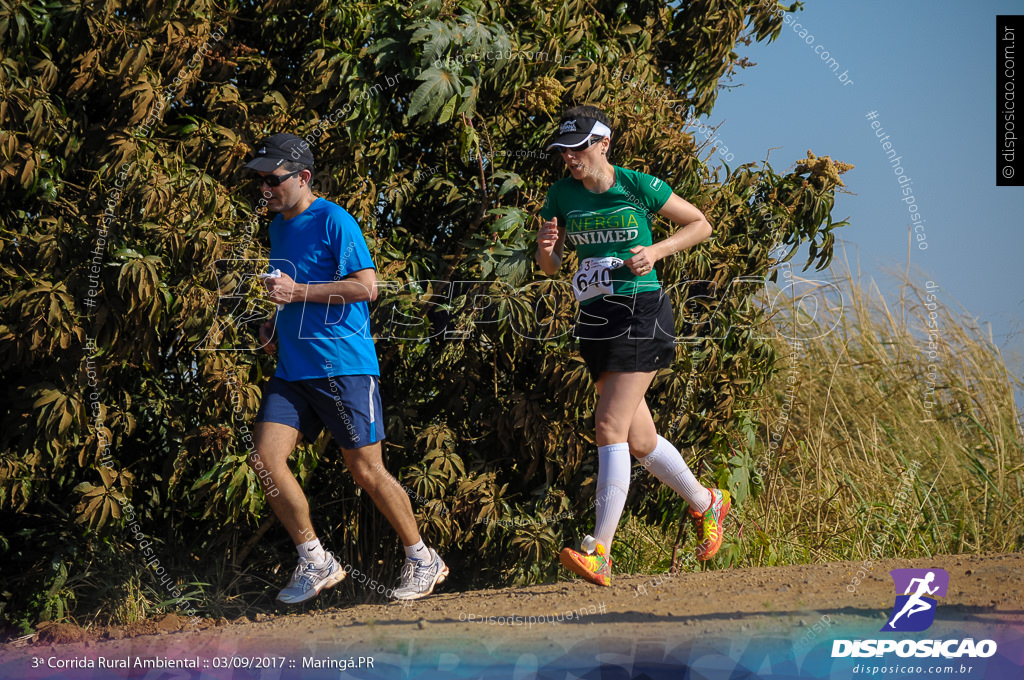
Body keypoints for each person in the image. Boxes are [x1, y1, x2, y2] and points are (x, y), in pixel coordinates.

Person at [243, 133, 448, 603]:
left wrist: (296, 294)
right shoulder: (277, 228)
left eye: (273, 180)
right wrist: (274, 323)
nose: (266, 190)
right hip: (294, 370)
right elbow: (291, 287)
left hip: (344, 367)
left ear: (303, 177)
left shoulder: (335, 220)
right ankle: (315, 559)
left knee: (366, 469)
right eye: (260, 181)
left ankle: (422, 558)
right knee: (266, 460)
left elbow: (365, 288)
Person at [535, 106, 731, 587]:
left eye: (578, 147)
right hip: (595, 317)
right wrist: (546, 247)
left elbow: (700, 224)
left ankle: (600, 551)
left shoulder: (637, 184)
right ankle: (708, 503)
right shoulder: (560, 195)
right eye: (564, 150)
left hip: (642, 312)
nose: (570, 158)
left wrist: (657, 251)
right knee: (640, 441)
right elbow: (552, 267)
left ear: (603, 143)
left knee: (608, 426)